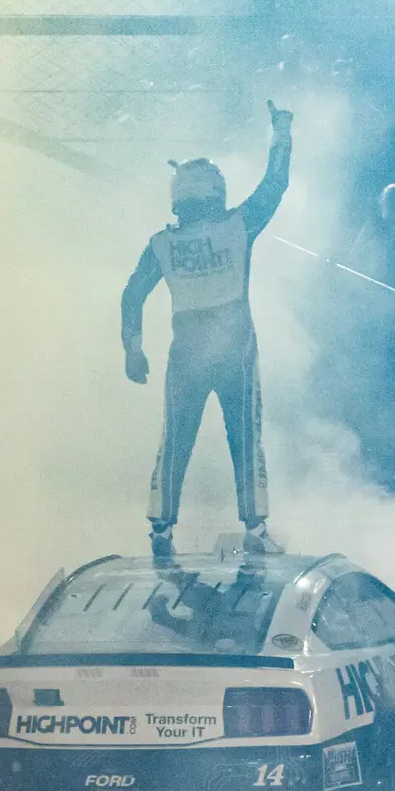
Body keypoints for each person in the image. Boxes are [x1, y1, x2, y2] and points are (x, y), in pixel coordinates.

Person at [123, 101, 292, 560]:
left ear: (177, 197)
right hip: (236, 347)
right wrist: (282, 129)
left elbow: (132, 295)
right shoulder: (238, 226)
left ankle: (161, 530)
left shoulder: (162, 243)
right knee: (246, 437)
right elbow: (275, 185)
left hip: (187, 351)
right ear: (216, 192)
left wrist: (133, 351)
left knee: (175, 438)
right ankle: (256, 529)